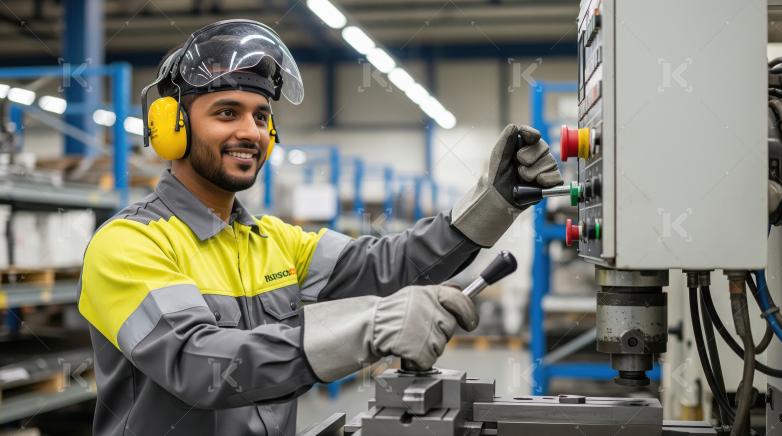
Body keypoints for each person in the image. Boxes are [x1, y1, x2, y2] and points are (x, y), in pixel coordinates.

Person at [78, 19, 563, 436]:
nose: (251, 132)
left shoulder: (272, 240)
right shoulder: (128, 244)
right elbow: (197, 363)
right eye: (227, 113)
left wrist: (493, 204)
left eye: (261, 116)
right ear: (172, 127)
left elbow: (387, 265)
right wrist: (366, 328)